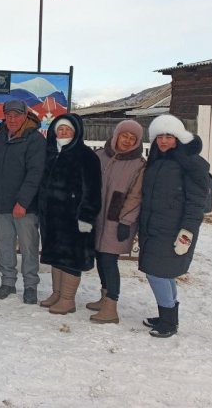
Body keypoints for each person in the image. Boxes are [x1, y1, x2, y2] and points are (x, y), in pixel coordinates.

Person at [139, 114, 209, 338]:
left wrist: (187, 231)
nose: (164, 141)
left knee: (156, 273)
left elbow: (196, 201)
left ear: (179, 137)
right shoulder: (157, 160)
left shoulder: (191, 163)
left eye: (169, 136)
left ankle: (168, 321)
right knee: (164, 273)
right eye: (160, 136)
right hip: (154, 226)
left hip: (174, 229)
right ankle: (168, 315)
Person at [38, 114, 102, 314]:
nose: (64, 132)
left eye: (68, 129)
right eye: (60, 129)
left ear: (76, 132)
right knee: (56, 257)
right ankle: (57, 293)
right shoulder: (51, 153)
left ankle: (68, 299)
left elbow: (93, 190)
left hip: (75, 219)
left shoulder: (86, 156)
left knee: (71, 258)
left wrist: (86, 217)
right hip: (52, 217)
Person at [87, 120, 145, 324]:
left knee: (109, 261)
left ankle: (111, 307)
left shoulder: (139, 165)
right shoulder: (99, 156)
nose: (127, 141)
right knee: (100, 258)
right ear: (116, 135)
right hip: (96, 216)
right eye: (124, 136)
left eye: (132, 138)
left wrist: (126, 221)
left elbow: (136, 196)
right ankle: (104, 298)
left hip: (116, 219)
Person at [0, 100, 46, 304]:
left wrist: (23, 202)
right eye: (9, 116)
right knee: (3, 245)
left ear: (25, 116)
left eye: (17, 115)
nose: (12, 120)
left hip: (26, 207)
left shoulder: (34, 140)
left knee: (28, 247)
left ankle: (30, 285)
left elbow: (35, 173)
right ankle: (8, 282)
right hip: (3, 203)